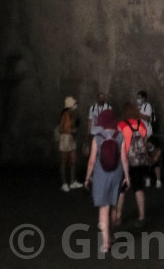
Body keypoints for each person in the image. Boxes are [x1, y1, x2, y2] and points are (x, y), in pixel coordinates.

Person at [85, 105, 129, 257]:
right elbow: (124, 158)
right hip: (116, 173)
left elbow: (91, 161)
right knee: (111, 205)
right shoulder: (120, 136)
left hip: (101, 174)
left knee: (103, 209)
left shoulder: (97, 138)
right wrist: (127, 177)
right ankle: (110, 236)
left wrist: (87, 177)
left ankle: (105, 243)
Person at [116, 102, 153, 225]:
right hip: (140, 160)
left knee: (122, 188)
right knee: (139, 188)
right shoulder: (141, 124)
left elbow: (117, 142)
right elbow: (145, 141)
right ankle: (142, 215)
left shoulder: (121, 125)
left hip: (125, 159)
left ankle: (118, 216)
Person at [58, 97, 80, 191]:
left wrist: (74, 128)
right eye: (74, 104)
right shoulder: (65, 115)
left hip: (71, 139)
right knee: (64, 162)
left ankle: (72, 182)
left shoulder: (71, 115)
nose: (76, 105)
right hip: (65, 139)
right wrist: (70, 130)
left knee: (73, 160)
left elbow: (72, 126)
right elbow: (60, 129)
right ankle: (64, 183)